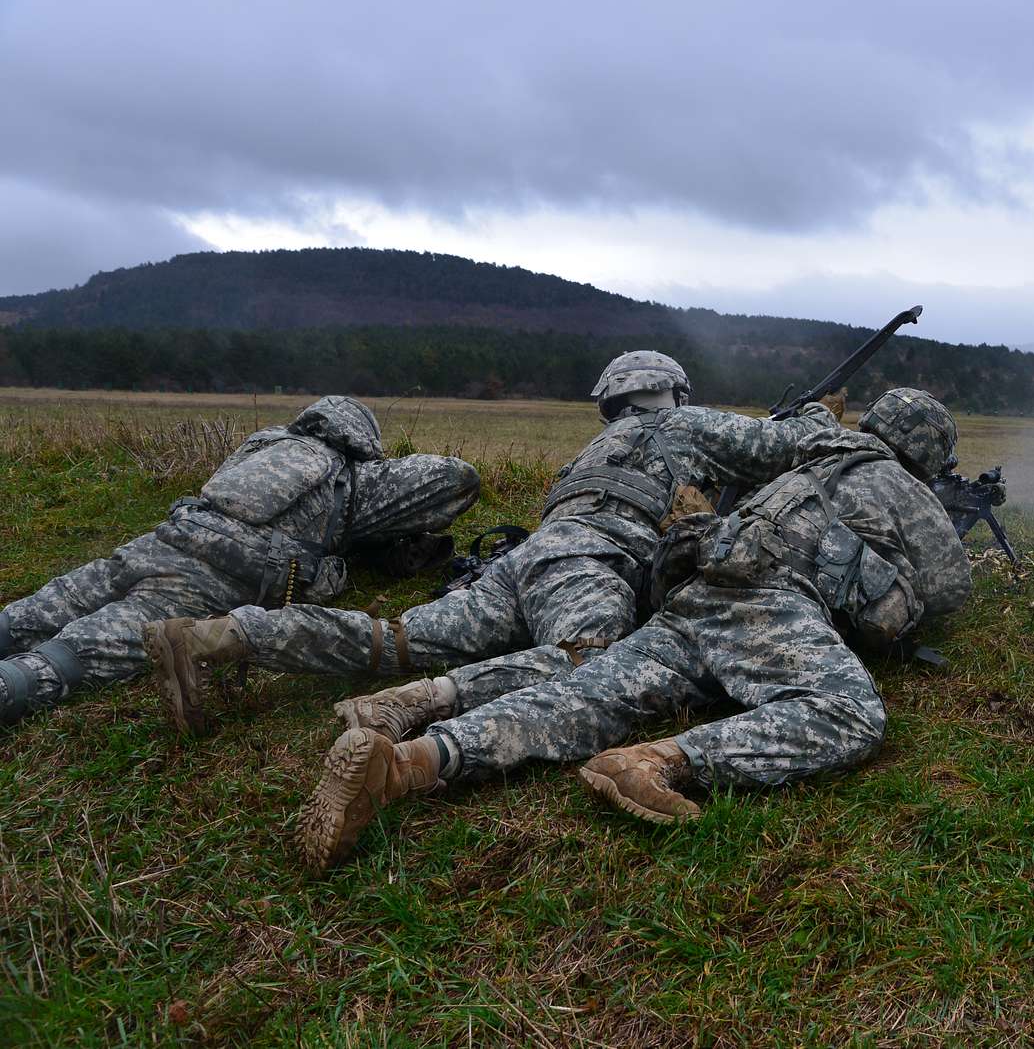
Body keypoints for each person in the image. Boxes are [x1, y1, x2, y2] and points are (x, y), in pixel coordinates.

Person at [296, 388, 972, 873]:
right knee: (851, 712)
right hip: (773, 605)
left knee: (588, 693)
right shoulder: (897, 482)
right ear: (926, 455)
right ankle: (658, 761)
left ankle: (409, 763)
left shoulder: (803, 459)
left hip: (696, 586)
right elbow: (949, 589)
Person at [145, 351, 841, 737]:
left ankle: (224, 634)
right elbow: (784, 445)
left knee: (393, 634)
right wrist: (814, 411)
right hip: (589, 564)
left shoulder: (591, 449)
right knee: (585, 661)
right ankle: (419, 702)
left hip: (524, 563)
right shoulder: (688, 427)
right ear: (675, 393)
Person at [0, 396, 480, 724]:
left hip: (161, 540)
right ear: (362, 438)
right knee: (75, 653)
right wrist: (374, 487)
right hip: (212, 576)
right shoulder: (355, 476)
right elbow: (457, 478)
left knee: (41, 608)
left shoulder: (262, 443)